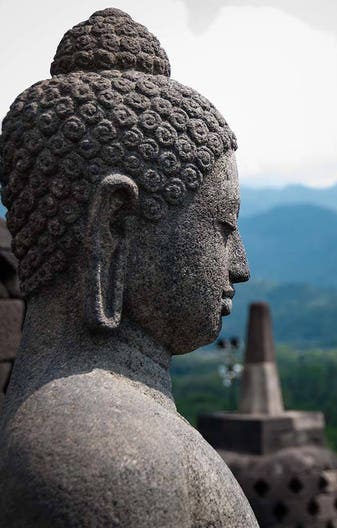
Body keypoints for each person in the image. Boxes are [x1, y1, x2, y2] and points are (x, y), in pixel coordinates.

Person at [0, 8, 258, 526]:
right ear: (114, 225)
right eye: (223, 226)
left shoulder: (103, 425)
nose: (240, 266)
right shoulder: (99, 453)